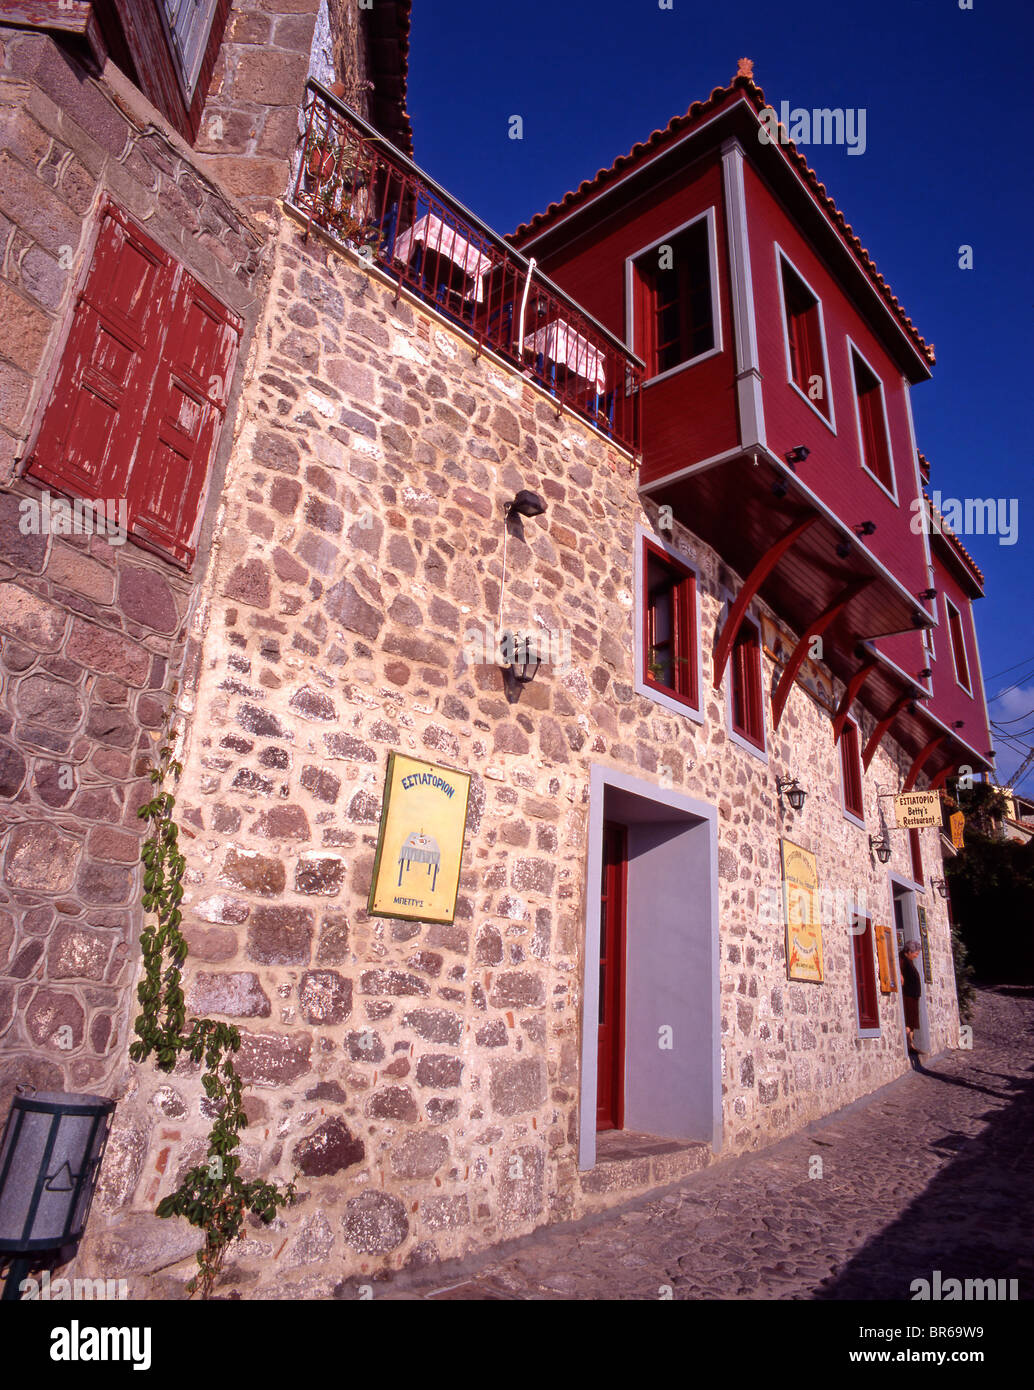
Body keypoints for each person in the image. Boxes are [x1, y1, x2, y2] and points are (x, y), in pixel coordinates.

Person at [899, 940, 923, 1059]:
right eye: (915, 953)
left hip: (913, 995)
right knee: (909, 1020)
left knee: (912, 1022)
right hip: (908, 995)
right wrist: (900, 974)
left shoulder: (909, 961)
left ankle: (911, 1045)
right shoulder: (902, 960)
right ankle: (909, 1045)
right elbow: (898, 969)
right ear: (909, 952)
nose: (916, 956)